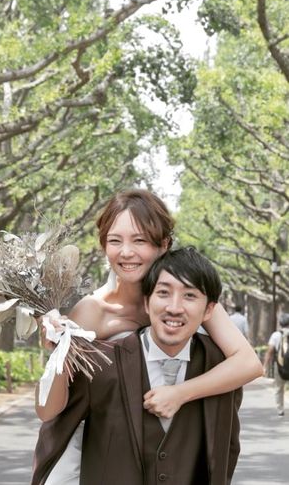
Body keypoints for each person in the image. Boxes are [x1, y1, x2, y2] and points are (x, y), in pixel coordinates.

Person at [34, 189, 261, 484]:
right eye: (115, 241)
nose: (126, 252)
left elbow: (248, 363)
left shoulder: (187, 297)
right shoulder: (93, 311)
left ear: (163, 244)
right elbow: (52, 408)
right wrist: (59, 351)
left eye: (139, 240)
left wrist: (180, 393)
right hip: (109, 452)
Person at [262, 312, 289, 416]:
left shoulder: (276, 335)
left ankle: (280, 410)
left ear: (280, 323)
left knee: (279, 388)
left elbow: (270, 352)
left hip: (279, 365)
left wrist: (265, 366)